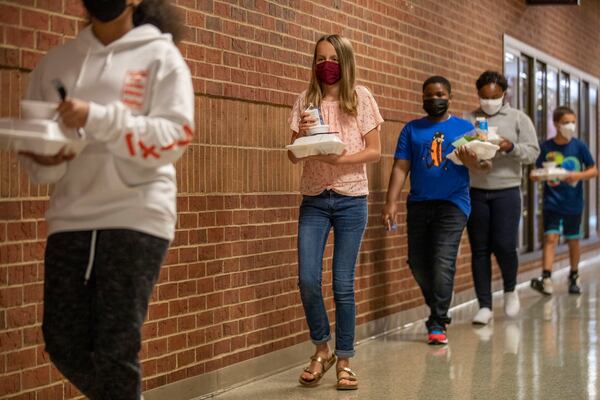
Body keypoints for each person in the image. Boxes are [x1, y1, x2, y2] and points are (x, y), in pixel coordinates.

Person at [18, 1, 194, 399]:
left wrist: (97, 117)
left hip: (137, 214)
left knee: (116, 346)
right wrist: (45, 159)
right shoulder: (57, 62)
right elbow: (41, 164)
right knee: (62, 340)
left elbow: (173, 137)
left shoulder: (161, 56)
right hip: (71, 216)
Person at [287, 34, 383, 390]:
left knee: (343, 284)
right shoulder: (305, 100)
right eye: (319, 58)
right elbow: (293, 154)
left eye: (332, 58)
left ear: (344, 61)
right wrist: (303, 140)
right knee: (308, 279)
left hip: (351, 199)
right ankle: (321, 348)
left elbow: (374, 151)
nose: (325, 64)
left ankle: (344, 360)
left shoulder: (361, 97)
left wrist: (340, 157)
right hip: (314, 198)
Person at [382, 76, 490, 345]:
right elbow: (400, 167)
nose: (434, 99)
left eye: (440, 94)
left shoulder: (466, 129)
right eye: (428, 95)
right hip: (419, 203)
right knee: (417, 262)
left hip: (453, 204)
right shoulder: (411, 130)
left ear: (450, 97)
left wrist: (472, 161)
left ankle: (438, 321)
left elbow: (485, 166)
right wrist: (391, 202)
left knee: (443, 260)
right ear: (422, 98)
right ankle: (436, 305)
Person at [466, 71, 540, 325]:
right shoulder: (470, 119)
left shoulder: (519, 118)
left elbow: (532, 153)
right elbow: (461, 149)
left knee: (504, 244)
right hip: (476, 190)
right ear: (478, 95)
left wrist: (511, 147)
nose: (489, 101)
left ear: (504, 94)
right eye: (484, 97)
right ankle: (484, 305)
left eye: (494, 96)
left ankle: (510, 290)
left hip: (507, 190)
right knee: (479, 248)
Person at [530, 106, 597, 295]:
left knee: (573, 239)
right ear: (556, 124)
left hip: (573, 202)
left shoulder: (579, 146)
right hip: (552, 201)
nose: (570, 126)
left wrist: (578, 175)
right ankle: (547, 277)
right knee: (550, 238)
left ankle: (574, 276)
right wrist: (537, 176)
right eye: (566, 122)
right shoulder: (546, 147)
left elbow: (594, 170)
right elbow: (534, 172)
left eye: (573, 122)